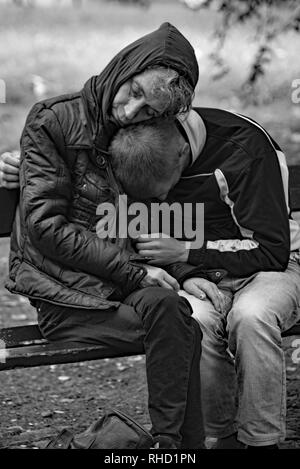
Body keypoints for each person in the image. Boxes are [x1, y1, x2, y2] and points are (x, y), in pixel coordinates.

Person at [0, 22, 226, 450]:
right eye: (134, 92)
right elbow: (45, 227)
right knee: (180, 325)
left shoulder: (139, 132)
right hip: (65, 296)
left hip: (120, 287)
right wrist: (136, 275)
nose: (131, 110)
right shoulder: (54, 120)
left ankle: (171, 447)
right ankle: (176, 449)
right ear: (125, 66)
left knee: (173, 310)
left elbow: (140, 214)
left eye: (147, 111)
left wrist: (183, 269)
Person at [108, 112, 300, 449]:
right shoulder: (130, 141)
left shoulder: (245, 147)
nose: (163, 201)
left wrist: (186, 252)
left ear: (182, 155)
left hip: (274, 266)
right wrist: (18, 161)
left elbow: (273, 252)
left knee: (251, 316)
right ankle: (221, 437)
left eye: (166, 189)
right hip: (199, 273)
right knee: (193, 321)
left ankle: (261, 441)